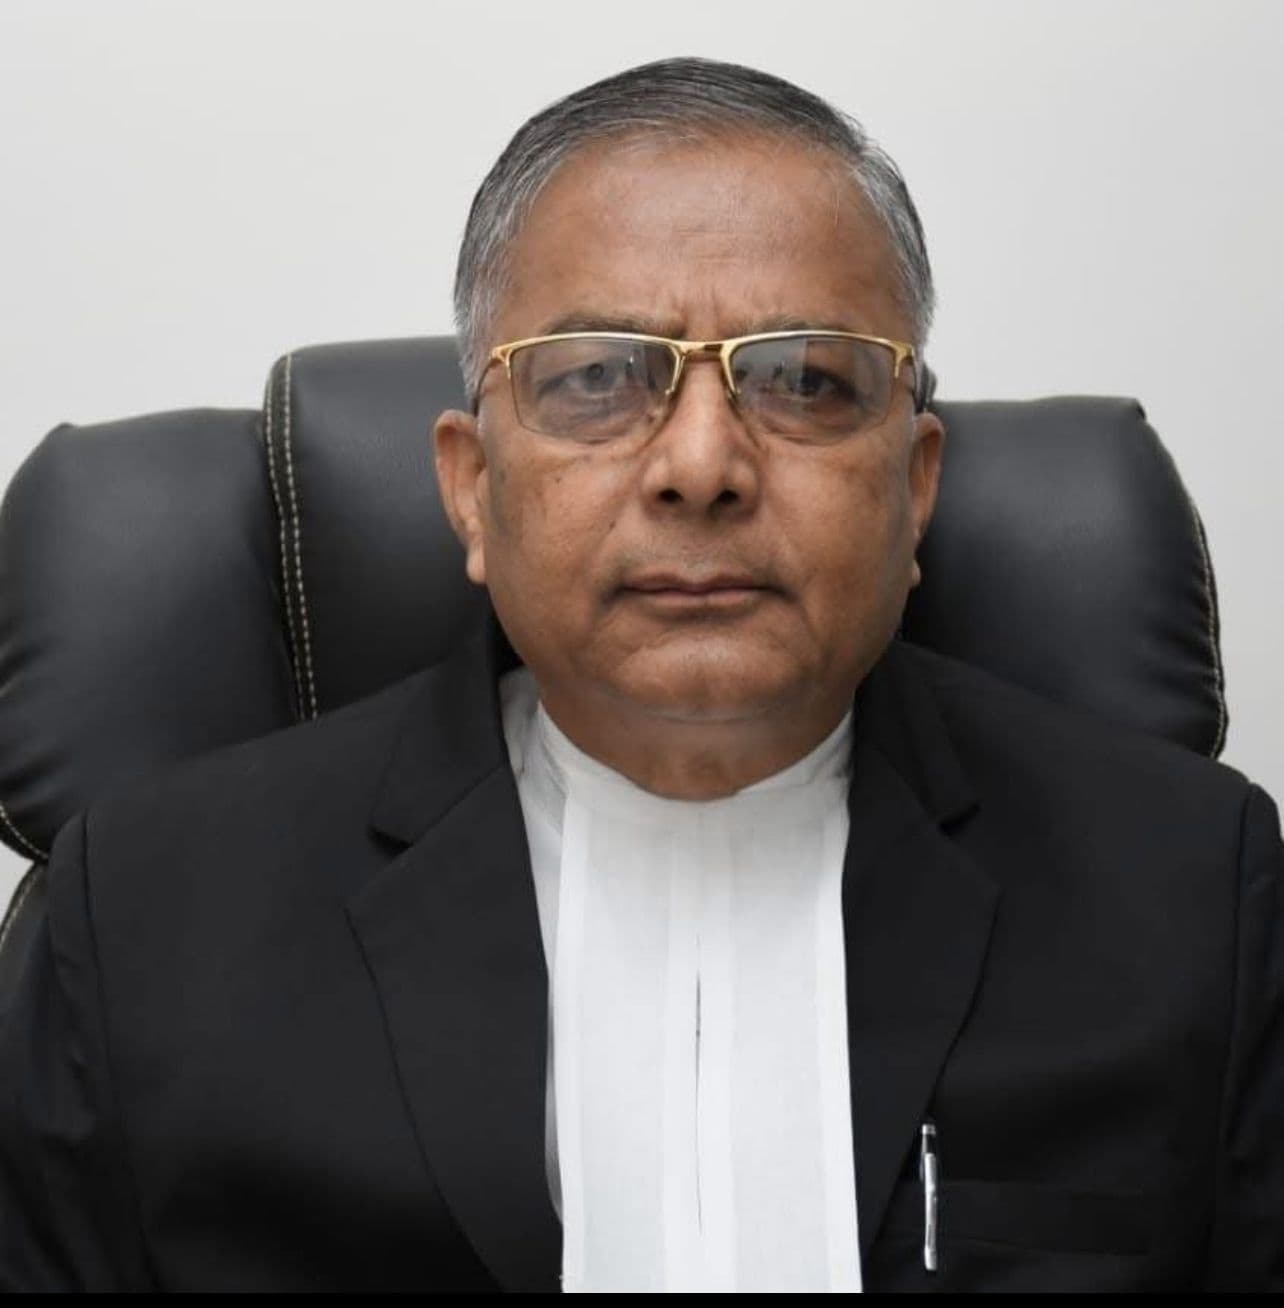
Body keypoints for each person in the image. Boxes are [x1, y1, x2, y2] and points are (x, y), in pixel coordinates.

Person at [1, 57, 1281, 1293]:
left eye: (804, 378)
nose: (703, 464)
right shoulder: (147, 922)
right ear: (469, 489)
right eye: (599, 379)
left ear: (918, 486)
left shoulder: (1194, 898)